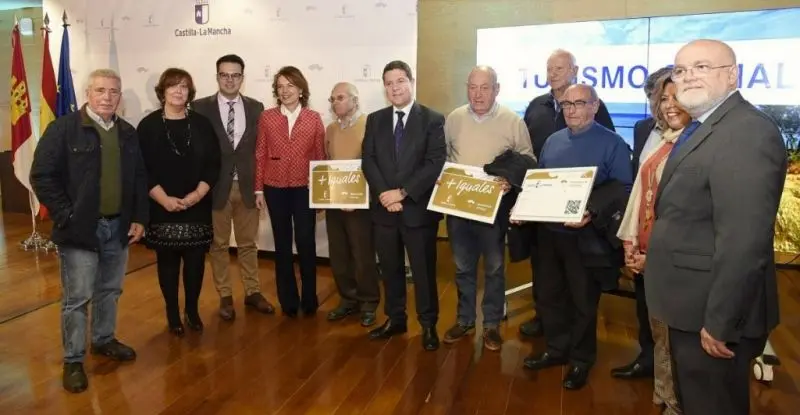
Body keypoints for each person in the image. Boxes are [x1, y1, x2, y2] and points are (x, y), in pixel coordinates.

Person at [644, 39, 786, 414]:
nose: (689, 76)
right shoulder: (706, 126)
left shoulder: (745, 132)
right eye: (681, 70)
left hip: (711, 317)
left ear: (732, 75)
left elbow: (744, 241)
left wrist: (721, 322)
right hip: (690, 306)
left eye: (702, 67)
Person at [30, 68, 148, 393]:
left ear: (119, 96)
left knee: (110, 290)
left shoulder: (127, 132)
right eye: (100, 90)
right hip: (79, 230)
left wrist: (139, 217)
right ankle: (73, 360)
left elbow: (138, 178)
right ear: (88, 94)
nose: (107, 97)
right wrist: (66, 214)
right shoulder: (63, 129)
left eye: (113, 91)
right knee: (78, 297)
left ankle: (103, 339)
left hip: (118, 226)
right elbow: (41, 175)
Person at [519, 84, 632, 390]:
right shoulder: (553, 141)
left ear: (595, 106)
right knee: (549, 295)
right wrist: (524, 208)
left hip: (586, 237)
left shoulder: (612, 143)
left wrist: (591, 211)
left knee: (583, 301)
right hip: (549, 234)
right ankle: (556, 349)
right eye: (566, 104)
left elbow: (622, 187)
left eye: (579, 103)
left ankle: (581, 359)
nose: (571, 110)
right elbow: (540, 183)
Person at [519, 49, 617, 339]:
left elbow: (608, 162)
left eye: (560, 68)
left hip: (580, 212)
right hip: (543, 208)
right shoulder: (536, 106)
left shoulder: (596, 110)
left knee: (579, 284)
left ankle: (577, 343)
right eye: (550, 68)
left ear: (574, 70)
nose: (553, 73)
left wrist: (591, 205)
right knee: (545, 275)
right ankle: (546, 322)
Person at [441, 66, 534, 351]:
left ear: (496, 89)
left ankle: (492, 324)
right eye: (473, 87)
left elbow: (528, 159)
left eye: (485, 87)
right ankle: (465, 319)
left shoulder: (512, 121)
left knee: (494, 268)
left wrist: (510, 179)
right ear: (467, 88)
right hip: (458, 207)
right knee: (462, 267)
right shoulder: (454, 118)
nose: (478, 94)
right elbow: (444, 156)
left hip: (493, 209)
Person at [617, 73, 690, 414]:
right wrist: (631, 242)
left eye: (678, 97)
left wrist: (654, 256)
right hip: (648, 252)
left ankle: (676, 403)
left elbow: (687, 217)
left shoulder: (697, 144)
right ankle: (665, 396)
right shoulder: (662, 138)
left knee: (678, 340)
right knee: (659, 333)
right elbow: (641, 192)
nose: (669, 105)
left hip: (674, 261)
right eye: (663, 99)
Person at [362, 60, 446, 351]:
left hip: (417, 210)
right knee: (390, 269)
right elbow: (368, 159)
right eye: (389, 83)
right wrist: (385, 194)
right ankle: (395, 319)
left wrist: (402, 193)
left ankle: (428, 325)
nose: (395, 88)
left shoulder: (432, 119)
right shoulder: (375, 120)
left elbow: (434, 162)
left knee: (423, 272)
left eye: (400, 81)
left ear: (411, 82)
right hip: (384, 209)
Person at [137, 68, 220, 336]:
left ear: (190, 92)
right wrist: (163, 199)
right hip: (162, 206)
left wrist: (197, 195)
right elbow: (141, 169)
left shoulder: (202, 124)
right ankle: (173, 314)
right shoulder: (148, 126)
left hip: (197, 205)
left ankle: (192, 311)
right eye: (172, 86)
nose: (178, 91)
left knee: (196, 264)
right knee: (168, 265)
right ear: (163, 91)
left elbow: (213, 164)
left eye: (184, 86)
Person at [192, 54, 274, 320]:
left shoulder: (256, 107)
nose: (230, 80)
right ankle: (225, 296)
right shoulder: (199, 107)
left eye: (235, 75)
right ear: (217, 77)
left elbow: (261, 149)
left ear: (242, 77)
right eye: (224, 75)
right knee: (218, 245)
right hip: (215, 187)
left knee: (248, 243)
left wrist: (261, 187)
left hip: (248, 186)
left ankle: (252, 292)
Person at [611, 65, 673, 380]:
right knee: (643, 300)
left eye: (664, 96)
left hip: (671, 235)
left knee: (669, 309)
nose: (658, 104)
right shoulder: (641, 128)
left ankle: (670, 374)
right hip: (641, 229)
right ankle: (647, 359)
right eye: (653, 97)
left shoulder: (693, 133)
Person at [255, 66, 326, 317]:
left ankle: (309, 299)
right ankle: (288, 301)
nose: (285, 91)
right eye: (280, 86)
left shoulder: (314, 118)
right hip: (274, 188)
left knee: (306, 243)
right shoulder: (267, 117)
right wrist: (258, 190)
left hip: (304, 188)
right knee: (282, 245)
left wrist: (321, 193)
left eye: (290, 86)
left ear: (301, 90)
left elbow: (320, 156)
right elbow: (260, 153)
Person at [323, 82, 381, 327]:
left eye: (340, 97)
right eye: (332, 99)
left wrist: (359, 196)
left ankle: (368, 302)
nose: (335, 102)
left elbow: (376, 164)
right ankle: (348, 299)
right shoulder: (330, 129)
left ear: (355, 100)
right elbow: (328, 162)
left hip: (361, 202)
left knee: (362, 254)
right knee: (339, 254)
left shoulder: (370, 125)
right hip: (336, 201)